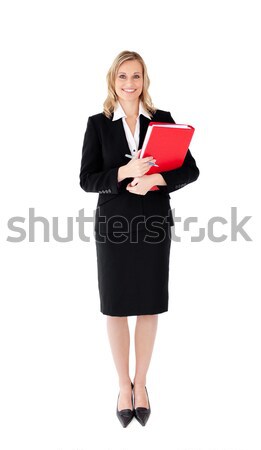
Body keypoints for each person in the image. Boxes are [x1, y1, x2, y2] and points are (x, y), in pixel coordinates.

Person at [79, 50, 200, 427]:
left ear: (144, 80)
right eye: (122, 77)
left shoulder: (162, 121)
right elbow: (87, 180)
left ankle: (142, 384)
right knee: (115, 306)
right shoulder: (98, 124)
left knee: (148, 304)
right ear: (112, 81)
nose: (130, 84)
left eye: (136, 76)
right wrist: (123, 172)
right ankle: (122, 386)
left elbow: (191, 170)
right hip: (113, 227)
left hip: (152, 226)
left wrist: (155, 180)